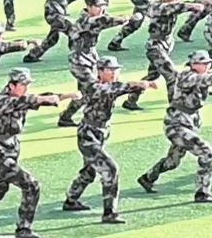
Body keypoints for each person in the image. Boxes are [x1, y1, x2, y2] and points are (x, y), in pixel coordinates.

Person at [0, 68, 77, 238]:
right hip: (0, 154)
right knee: (31, 186)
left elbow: (40, 99)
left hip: (10, 152)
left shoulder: (20, 99)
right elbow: (30, 100)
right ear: (11, 85)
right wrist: (45, 99)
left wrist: (66, 96)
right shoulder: (1, 100)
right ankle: (23, 229)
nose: (26, 88)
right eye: (23, 85)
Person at [136, 50, 212, 203]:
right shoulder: (187, 76)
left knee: (173, 161)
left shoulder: (201, 75)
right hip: (176, 126)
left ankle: (148, 178)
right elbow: (208, 79)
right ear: (195, 64)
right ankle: (202, 193)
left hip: (187, 124)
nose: (209, 66)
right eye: (206, 63)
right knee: (207, 153)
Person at [63, 55, 157, 222]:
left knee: (90, 171)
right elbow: (115, 89)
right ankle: (109, 213)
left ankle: (71, 199)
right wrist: (140, 84)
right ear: (99, 72)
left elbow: (119, 89)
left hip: (99, 133)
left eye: (115, 70)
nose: (113, 73)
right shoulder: (94, 86)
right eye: (109, 70)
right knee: (110, 169)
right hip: (88, 134)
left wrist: (140, 87)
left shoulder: (110, 85)